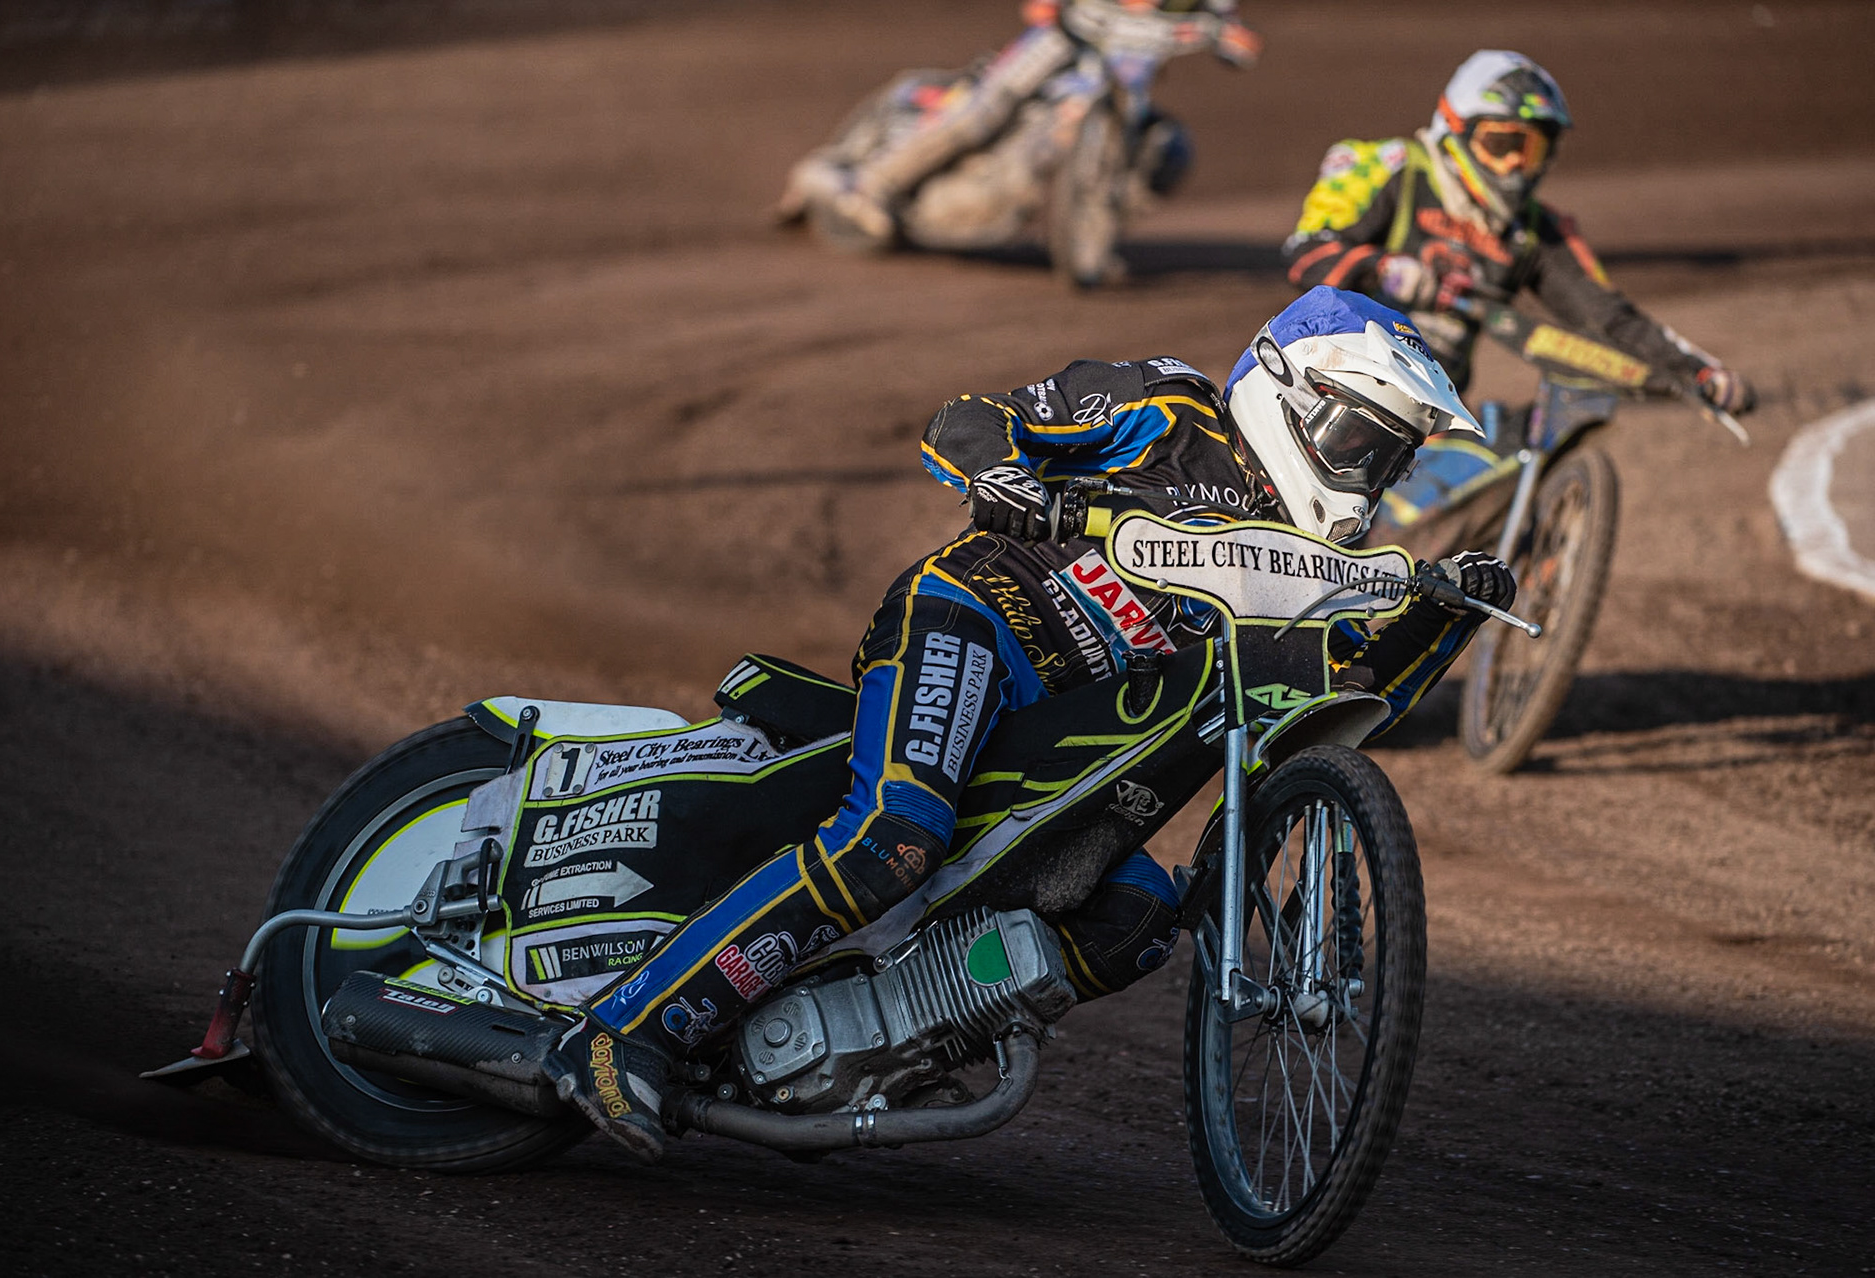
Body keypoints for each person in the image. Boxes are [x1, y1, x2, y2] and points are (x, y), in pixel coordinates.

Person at [543, 287, 1518, 1162]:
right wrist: (1003, 474)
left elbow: (1344, 706)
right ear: (1287, 392)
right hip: (976, 619)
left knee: (1135, 918)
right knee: (894, 840)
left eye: (1389, 456)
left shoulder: (1307, 576)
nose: (1370, 474)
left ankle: (874, 1044)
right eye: (1361, 441)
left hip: (1063, 754)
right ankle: (621, 1034)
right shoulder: (1173, 409)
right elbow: (974, 417)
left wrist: (1444, 610)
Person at [1282, 50, 1754, 420]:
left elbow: (1609, 316)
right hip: (1322, 383)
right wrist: (1382, 269)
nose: (1513, 166)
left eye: (1530, 150)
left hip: (1426, 415)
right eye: (1502, 144)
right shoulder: (1390, 166)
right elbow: (1305, 254)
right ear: (1456, 129)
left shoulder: (1536, 231)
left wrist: (1699, 372)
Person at [781, 0, 1262, 248]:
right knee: (985, 106)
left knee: (1166, 145)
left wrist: (1233, 40)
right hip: (1057, 51)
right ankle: (873, 185)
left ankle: (1097, 228)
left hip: (1121, 85)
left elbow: (1231, 31)